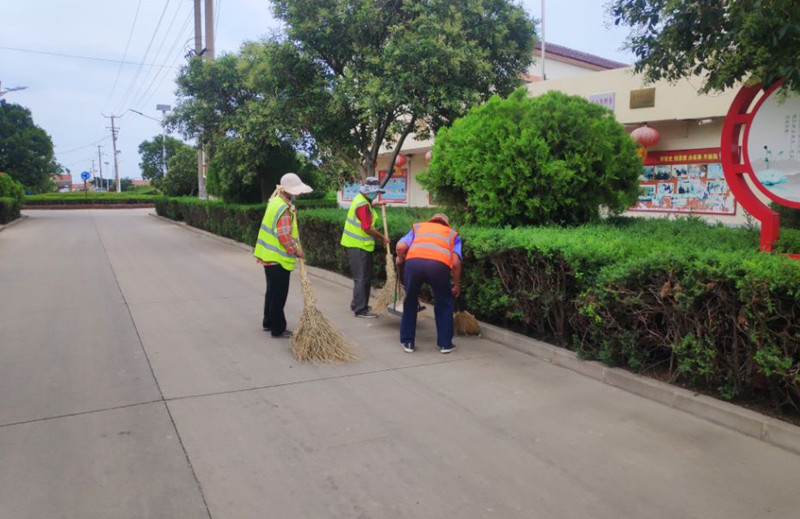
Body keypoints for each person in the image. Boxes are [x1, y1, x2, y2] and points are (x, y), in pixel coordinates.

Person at [253, 172, 313, 339]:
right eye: (296, 192)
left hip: (268, 256)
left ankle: (268, 321)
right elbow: (284, 235)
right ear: (289, 191)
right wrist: (296, 251)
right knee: (278, 295)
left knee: (271, 291)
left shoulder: (275, 202)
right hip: (278, 258)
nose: (298, 195)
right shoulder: (284, 209)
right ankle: (278, 328)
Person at [395, 213, 462, 353]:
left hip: (414, 265)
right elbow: (455, 263)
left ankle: (408, 342)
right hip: (438, 267)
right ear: (447, 224)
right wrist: (456, 284)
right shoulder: (452, 234)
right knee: (444, 302)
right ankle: (445, 344)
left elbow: (400, 246)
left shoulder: (418, 227)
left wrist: (400, 259)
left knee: (410, 301)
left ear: (431, 220)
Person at [340, 176, 389, 318]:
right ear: (369, 191)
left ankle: (357, 303)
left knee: (360, 277)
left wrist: (376, 203)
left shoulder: (361, 199)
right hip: (359, 245)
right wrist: (382, 237)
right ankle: (361, 309)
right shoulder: (363, 205)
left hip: (356, 244)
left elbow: (366, 209)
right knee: (362, 278)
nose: (376, 195)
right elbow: (367, 228)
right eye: (375, 192)